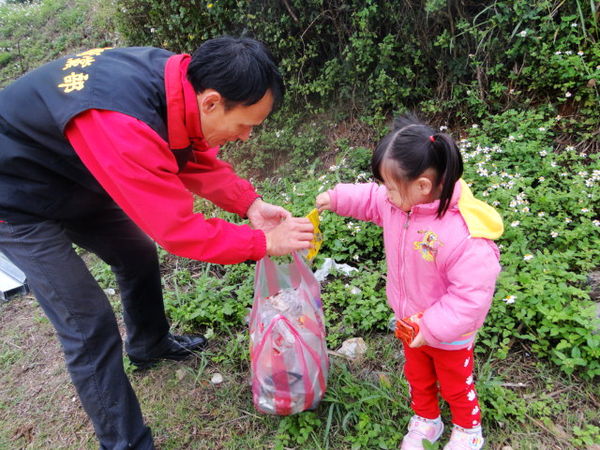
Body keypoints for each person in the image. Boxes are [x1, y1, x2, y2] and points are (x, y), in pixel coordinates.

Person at [0, 36, 314, 449]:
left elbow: (186, 152)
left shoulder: (177, 82)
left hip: (76, 169)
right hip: (17, 195)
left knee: (135, 253)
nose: (246, 137)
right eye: (246, 125)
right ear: (212, 102)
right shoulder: (119, 122)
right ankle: (125, 443)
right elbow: (177, 230)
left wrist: (249, 203)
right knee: (88, 323)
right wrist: (261, 242)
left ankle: (149, 344)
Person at [316, 114, 503, 450]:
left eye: (390, 186)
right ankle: (427, 420)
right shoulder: (398, 204)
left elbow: (470, 300)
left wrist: (429, 327)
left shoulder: (466, 237)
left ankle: (468, 430)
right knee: (418, 377)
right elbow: (369, 199)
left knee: (456, 383)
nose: (384, 193)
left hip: (449, 333)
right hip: (408, 321)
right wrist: (338, 198)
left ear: (422, 186)